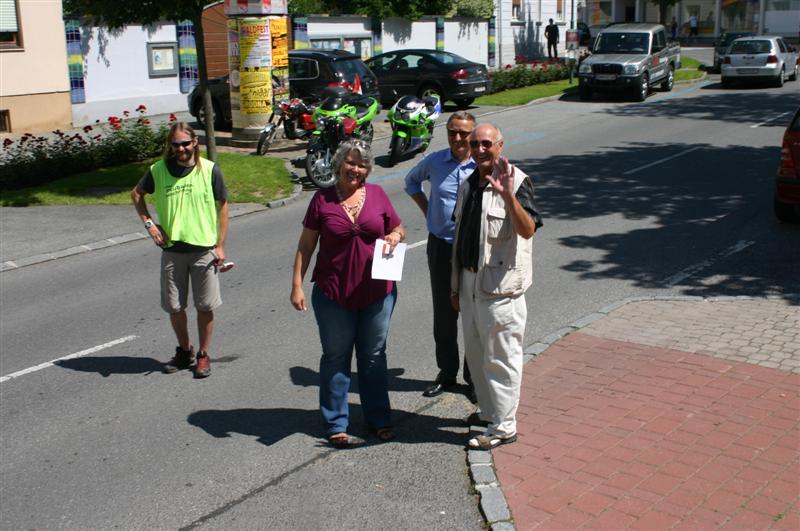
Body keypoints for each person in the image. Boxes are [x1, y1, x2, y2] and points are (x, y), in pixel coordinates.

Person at [291, 139, 405, 449]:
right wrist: (297, 285)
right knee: (336, 357)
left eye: (361, 164)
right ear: (339, 163)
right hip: (333, 292)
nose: (355, 168)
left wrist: (395, 234)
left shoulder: (378, 195)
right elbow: (306, 245)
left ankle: (379, 419)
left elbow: (398, 227)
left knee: (373, 357)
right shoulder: (322, 200)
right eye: (350, 162)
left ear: (368, 168)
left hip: (377, 292)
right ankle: (335, 423)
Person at [451, 123, 543, 450]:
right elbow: (461, 238)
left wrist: (507, 197)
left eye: (485, 143)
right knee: (476, 357)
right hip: (469, 284)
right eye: (474, 143)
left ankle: (504, 426)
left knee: (501, 359)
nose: (478, 149)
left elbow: (529, 229)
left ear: (500, 146)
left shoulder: (516, 182)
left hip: (501, 290)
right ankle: (489, 412)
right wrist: (455, 286)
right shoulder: (468, 184)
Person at [131, 122, 229, 379]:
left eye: (185, 143)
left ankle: (204, 354)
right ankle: (185, 351)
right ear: (170, 146)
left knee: (205, 305)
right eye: (176, 145)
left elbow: (223, 206)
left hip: (203, 249)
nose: (181, 149)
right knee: (175, 306)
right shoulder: (158, 170)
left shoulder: (209, 170)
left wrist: (220, 245)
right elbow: (137, 194)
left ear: (195, 142)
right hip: (172, 250)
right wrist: (150, 224)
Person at [404, 111, 477, 400]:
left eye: (463, 133)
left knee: (472, 314)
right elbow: (411, 182)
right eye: (452, 132)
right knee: (444, 314)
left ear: (473, 134)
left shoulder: (482, 164)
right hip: (441, 246)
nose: (457, 138)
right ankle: (447, 374)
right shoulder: (435, 162)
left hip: (473, 249)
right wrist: (428, 211)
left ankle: (473, 379)